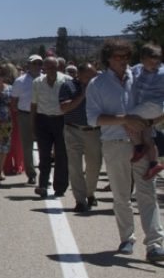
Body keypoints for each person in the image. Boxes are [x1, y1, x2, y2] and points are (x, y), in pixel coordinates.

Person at [86, 38, 164, 262]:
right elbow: (93, 119)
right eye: (117, 56)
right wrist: (124, 119)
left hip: (143, 142)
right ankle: (127, 237)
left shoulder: (140, 74)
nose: (123, 60)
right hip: (115, 144)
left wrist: (152, 121)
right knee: (121, 195)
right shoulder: (97, 84)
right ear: (108, 59)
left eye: (126, 56)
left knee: (147, 193)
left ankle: (155, 244)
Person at [60, 61, 101, 212]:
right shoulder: (68, 86)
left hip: (93, 131)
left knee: (94, 165)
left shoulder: (99, 87)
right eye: (87, 77)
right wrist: (82, 95)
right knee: (75, 166)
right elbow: (64, 107)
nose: (91, 80)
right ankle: (80, 200)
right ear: (79, 75)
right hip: (73, 130)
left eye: (93, 76)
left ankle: (90, 193)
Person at [30, 56, 70, 198]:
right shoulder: (37, 82)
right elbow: (34, 104)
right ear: (44, 68)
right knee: (44, 154)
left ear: (58, 67)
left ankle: (60, 187)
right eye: (47, 67)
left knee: (61, 155)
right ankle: (42, 185)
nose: (50, 70)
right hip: (43, 120)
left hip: (61, 120)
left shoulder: (67, 80)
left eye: (53, 67)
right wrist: (33, 124)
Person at [129, 44, 164, 180]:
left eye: (157, 63)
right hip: (143, 107)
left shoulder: (162, 72)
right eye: (151, 63)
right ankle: (154, 163)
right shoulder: (137, 69)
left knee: (127, 119)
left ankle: (138, 147)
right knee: (147, 136)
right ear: (142, 60)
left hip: (154, 106)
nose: (154, 66)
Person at [11, 55, 43, 183]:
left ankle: (44, 172)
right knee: (27, 146)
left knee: (44, 146)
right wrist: (20, 113)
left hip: (42, 115)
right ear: (28, 65)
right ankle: (31, 174)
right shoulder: (20, 81)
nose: (37, 66)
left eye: (39, 63)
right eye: (34, 63)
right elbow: (14, 101)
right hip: (25, 115)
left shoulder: (46, 79)